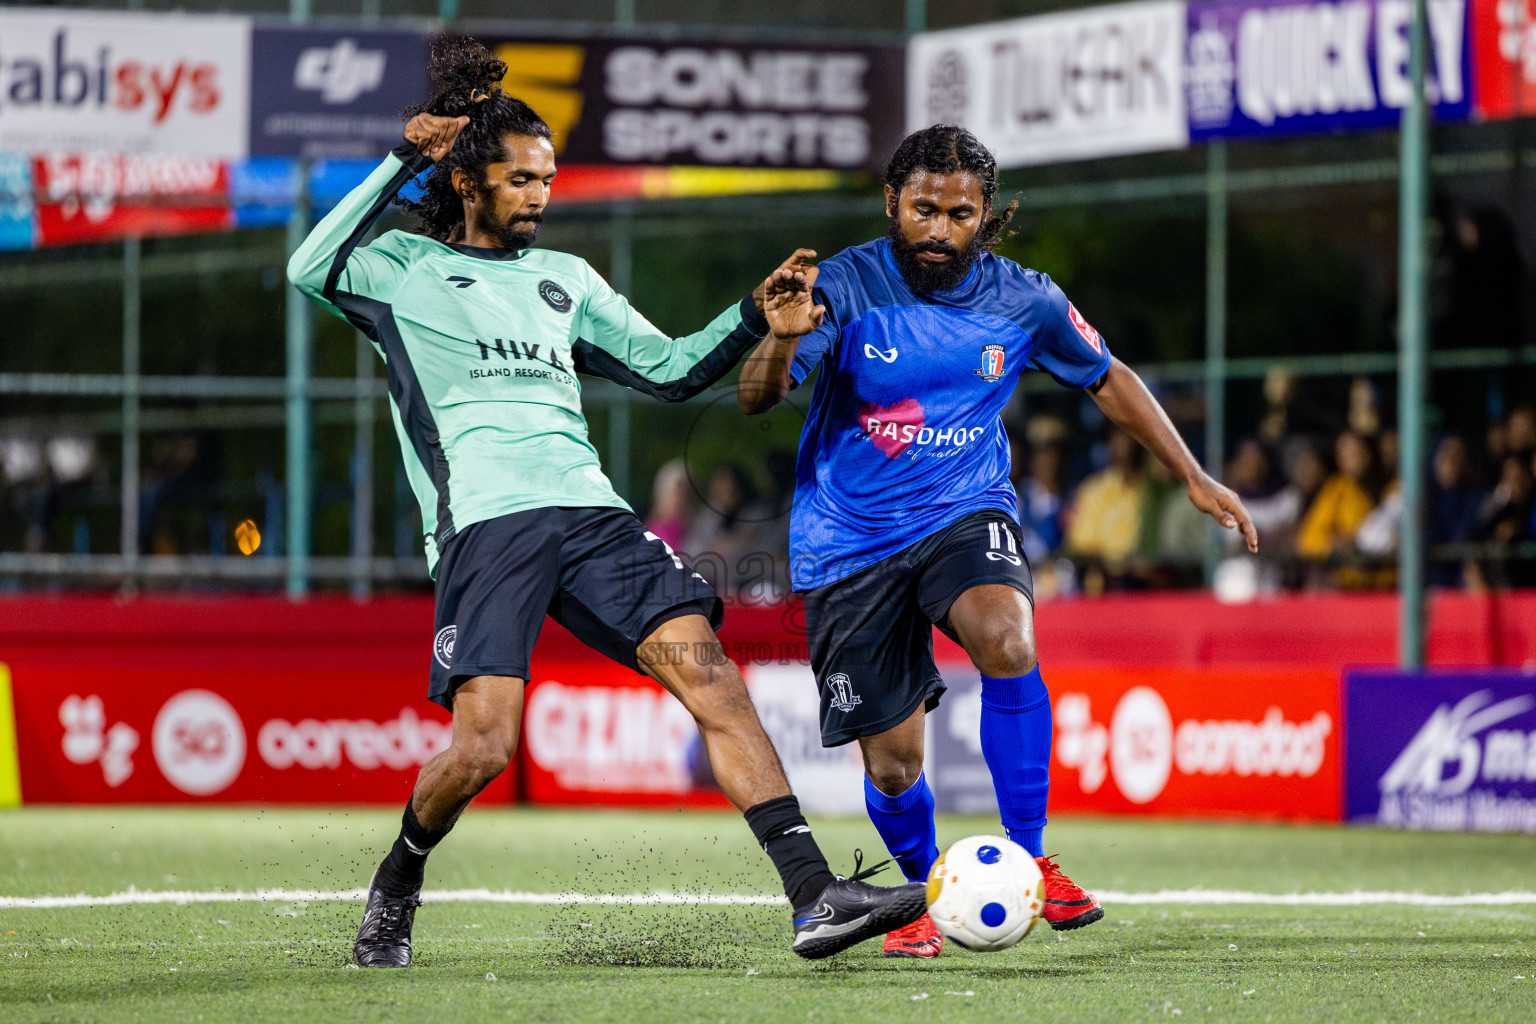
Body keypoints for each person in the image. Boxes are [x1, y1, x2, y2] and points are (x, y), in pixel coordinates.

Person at [288, 38, 925, 968]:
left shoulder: (568, 283)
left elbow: (669, 371)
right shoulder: (400, 273)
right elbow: (311, 265)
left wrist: (756, 314)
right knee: (485, 748)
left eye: (548, 179)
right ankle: (398, 880)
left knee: (714, 677)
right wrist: (401, 158)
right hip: (487, 526)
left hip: (590, 515)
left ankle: (812, 894)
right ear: (469, 183)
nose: (541, 197)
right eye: (521, 180)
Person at [736, 125, 1257, 959]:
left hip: (962, 509)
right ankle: (917, 900)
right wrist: (784, 333)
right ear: (891, 204)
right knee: (895, 767)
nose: (940, 229)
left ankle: (1030, 855)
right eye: (924, 210)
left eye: (960, 214)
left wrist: (1193, 475)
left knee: (1008, 636)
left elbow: (1109, 376)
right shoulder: (840, 284)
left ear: (987, 217)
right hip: (848, 542)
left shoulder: (1026, 299)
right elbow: (756, 398)